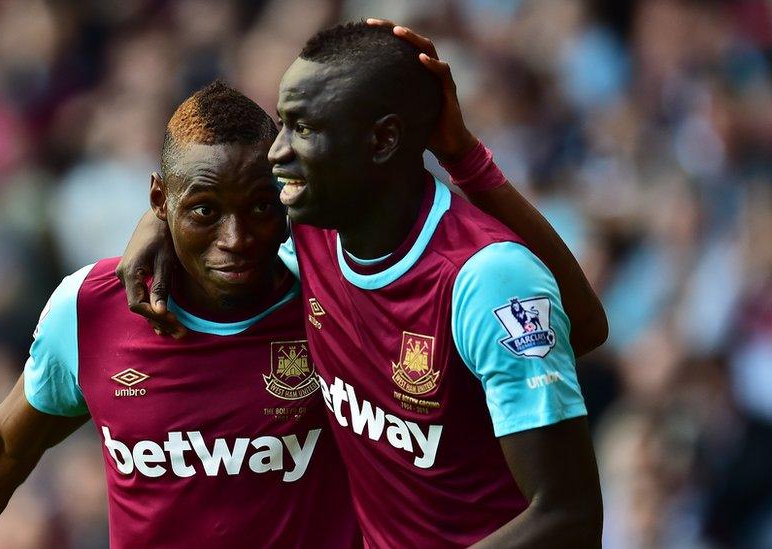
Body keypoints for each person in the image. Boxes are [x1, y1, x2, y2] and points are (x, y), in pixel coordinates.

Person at [119, 21, 605, 547]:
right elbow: (221, 206)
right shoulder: (309, 230)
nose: (276, 152)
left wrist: (463, 155)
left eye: (302, 128)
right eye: (282, 124)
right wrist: (160, 221)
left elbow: (567, 516)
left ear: (381, 140)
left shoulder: (483, 279)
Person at [0, 82, 360, 548]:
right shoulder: (90, 308)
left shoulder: (332, 296)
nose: (235, 237)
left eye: (260, 207)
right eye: (205, 210)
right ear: (160, 202)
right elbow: (2, 449)